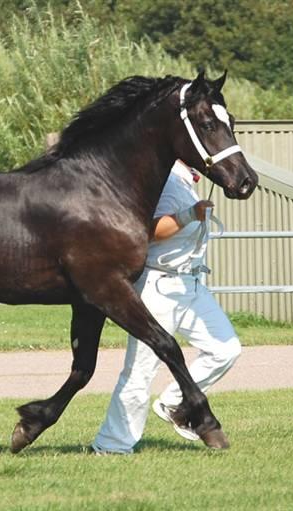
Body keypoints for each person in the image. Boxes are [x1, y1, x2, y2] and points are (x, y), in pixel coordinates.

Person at [92, 159, 241, 455]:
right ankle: (112, 444)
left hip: (192, 285)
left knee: (226, 349)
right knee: (141, 371)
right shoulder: (164, 178)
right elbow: (144, 230)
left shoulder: (187, 179)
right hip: (159, 286)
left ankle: (176, 402)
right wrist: (189, 214)